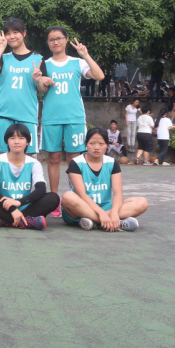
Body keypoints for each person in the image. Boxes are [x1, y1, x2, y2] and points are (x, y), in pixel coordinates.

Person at [40, 27, 104, 213]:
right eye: (51, 39)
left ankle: (74, 199)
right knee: (53, 158)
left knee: (73, 159)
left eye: (59, 38)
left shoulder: (78, 62)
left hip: (74, 117)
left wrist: (86, 55)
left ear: (66, 40)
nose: (55, 42)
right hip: (51, 117)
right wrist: (43, 82)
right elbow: (41, 90)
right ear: (48, 43)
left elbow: (99, 76)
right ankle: (54, 201)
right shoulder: (44, 64)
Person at [61, 127, 148, 231]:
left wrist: (114, 212)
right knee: (68, 197)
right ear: (86, 144)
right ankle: (112, 223)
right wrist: (101, 213)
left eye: (101, 144)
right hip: (82, 208)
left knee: (142, 202)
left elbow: (118, 193)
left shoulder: (112, 163)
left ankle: (95, 222)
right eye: (92, 143)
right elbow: (82, 195)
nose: (96, 147)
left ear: (107, 145)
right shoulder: (76, 162)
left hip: (106, 207)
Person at [0, 124, 59, 229]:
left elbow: (41, 189)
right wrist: (12, 209)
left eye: (21, 138)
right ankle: (26, 221)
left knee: (53, 198)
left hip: (24, 206)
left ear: (27, 142)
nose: (17, 141)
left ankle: (4, 221)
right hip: (1, 207)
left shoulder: (34, 163)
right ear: (7, 141)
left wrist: (19, 202)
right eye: (12, 138)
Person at [0, 18, 51, 155]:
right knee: (2, 157)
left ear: (24, 33)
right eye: (8, 33)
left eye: (15, 32)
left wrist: (38, 80)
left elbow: (43, 90)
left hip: (27, 115)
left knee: (27, 158)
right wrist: (0, 48)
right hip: (3, 115)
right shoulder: (4, 57)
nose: (12, 36)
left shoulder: (38, 59)